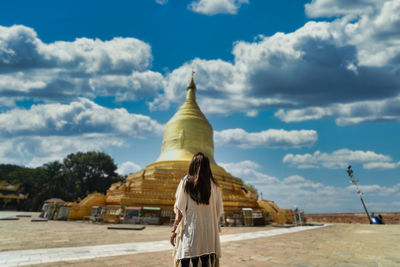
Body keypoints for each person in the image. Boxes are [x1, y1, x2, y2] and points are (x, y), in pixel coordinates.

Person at [170, 152, 224, 267]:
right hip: (209, 236)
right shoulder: (215, 185)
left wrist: (174, 230)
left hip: (191, 234)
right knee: (206, 263)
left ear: (192, 165)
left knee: (188, 261)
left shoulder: (186, 182)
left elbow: (180, 210)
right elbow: (218, 212)